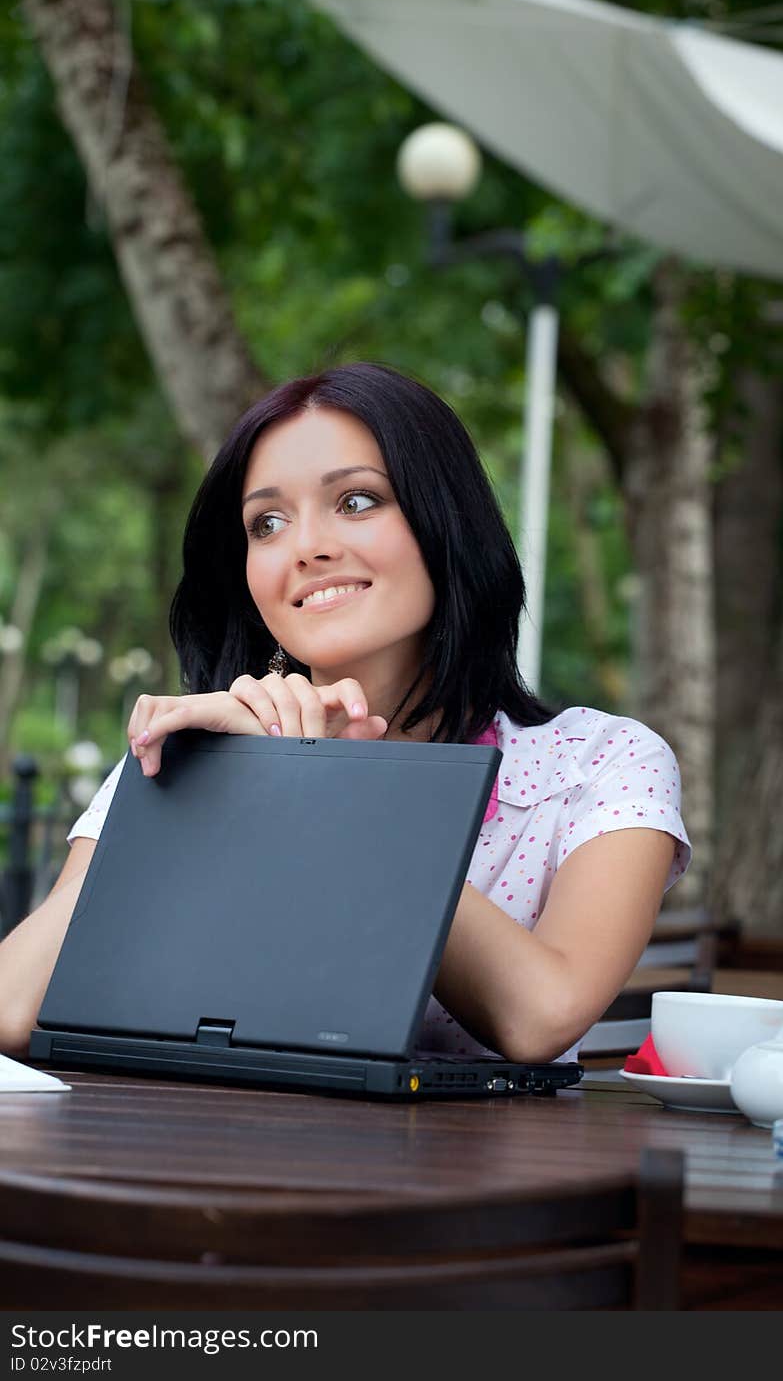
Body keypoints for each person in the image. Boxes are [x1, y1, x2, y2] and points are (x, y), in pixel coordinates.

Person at [0, 362, 691, 1062]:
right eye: (267, 523)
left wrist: (343, 788)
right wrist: (224, 781)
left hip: (479, 1170)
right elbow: (13, 1005)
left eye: (357, 501)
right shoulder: (193, 753)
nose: (308, 548)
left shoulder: (597, 764)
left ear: (445, 522)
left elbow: (539, 1018)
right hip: (197, 1158)